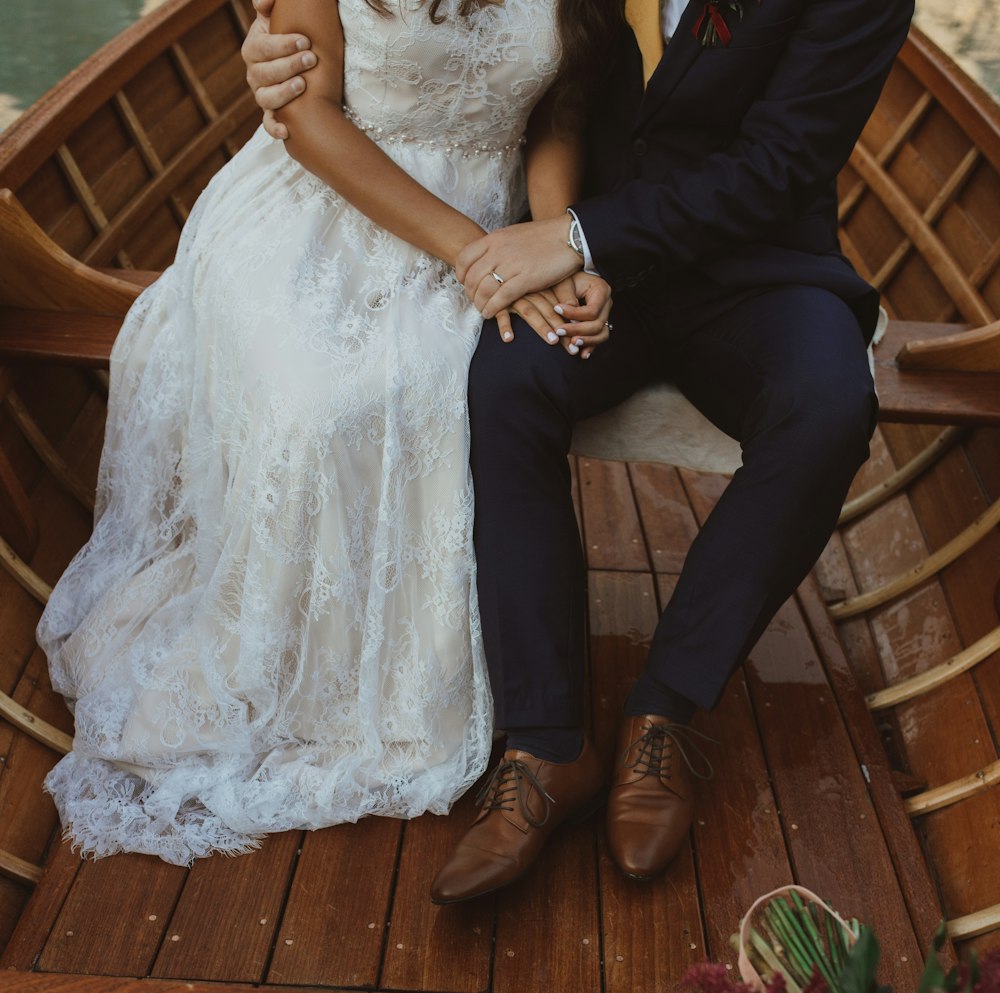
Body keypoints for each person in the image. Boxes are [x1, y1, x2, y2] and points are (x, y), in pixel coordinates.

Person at [246, 0, 915, 905]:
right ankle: (548, 743)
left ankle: (666, 710)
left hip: (750, 269)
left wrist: (574, 238)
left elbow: (781, 166)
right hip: (576, 253)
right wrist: (264, 42)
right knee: (505, 383)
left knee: (830, 409)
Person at [37, 0, 616, 865]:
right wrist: (469, 254)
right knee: (320, 411)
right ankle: (309, 685)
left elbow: (558, 112)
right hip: (325, 221)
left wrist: (552, 240)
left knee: (461, 384)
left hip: (493, 225)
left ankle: (467, 683)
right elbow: (304, 118)